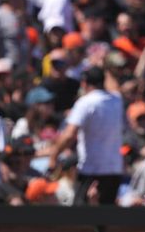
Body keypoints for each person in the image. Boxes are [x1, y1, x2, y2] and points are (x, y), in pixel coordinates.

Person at [49, 67, 124, 205]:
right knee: (107, 217)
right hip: (114, 169)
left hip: (92, 170)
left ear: (84, 83)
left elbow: (69, 134)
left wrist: (53, 156)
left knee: (81, 217)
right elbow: (116, 87)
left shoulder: (85, 102)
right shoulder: (117, 100)